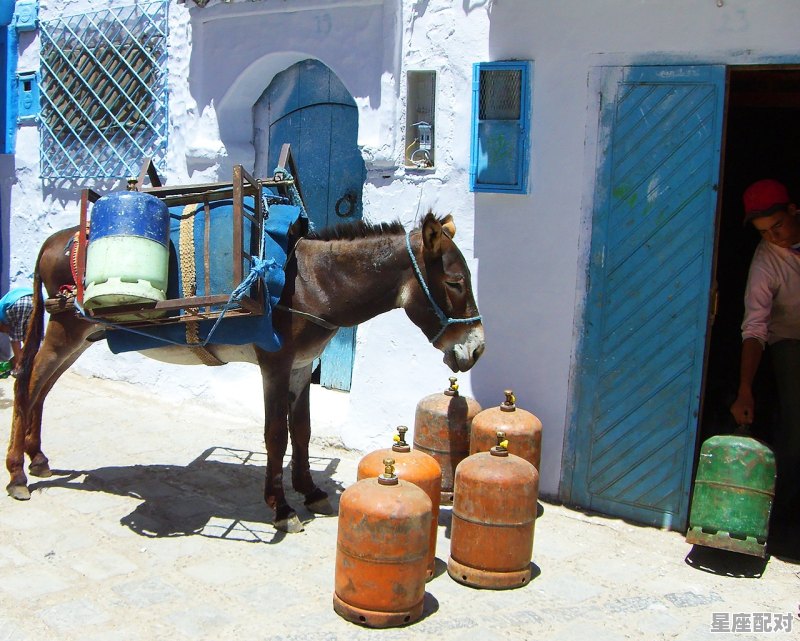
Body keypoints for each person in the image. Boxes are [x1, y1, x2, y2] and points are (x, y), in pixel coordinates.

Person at [730, 178, 800, 524]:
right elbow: (755, 328)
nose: (775, 237)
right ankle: (783, 518)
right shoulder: (765, 265)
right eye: (764, 233)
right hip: (790, 341)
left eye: (778, 226)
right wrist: (745, 389)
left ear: (793, 210)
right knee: (795, 424)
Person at [0, 286, 34, 376]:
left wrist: (18, 361)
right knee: (30, 339)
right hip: (36, 299)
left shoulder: (2, 313)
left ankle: (19, 367)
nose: (4, 332)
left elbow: (15, 339)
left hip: (19, 302)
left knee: (15, 338)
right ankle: (26, 364)